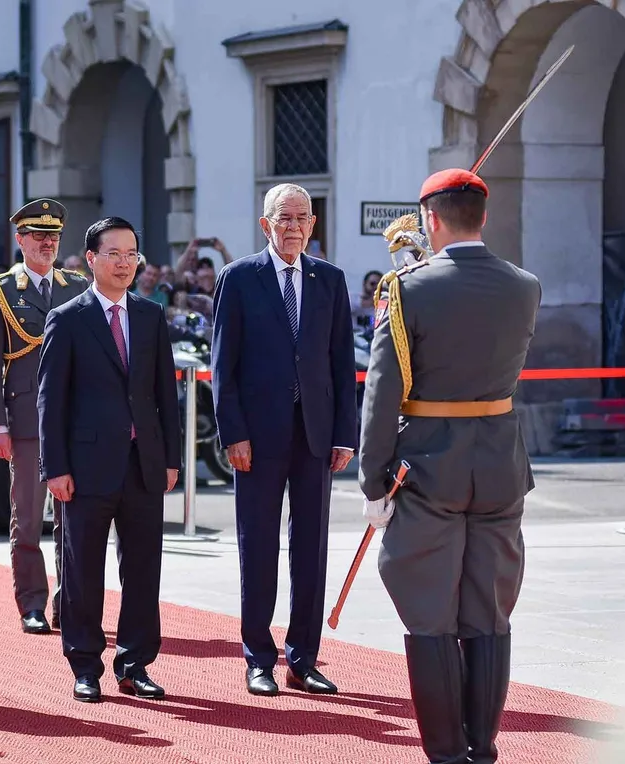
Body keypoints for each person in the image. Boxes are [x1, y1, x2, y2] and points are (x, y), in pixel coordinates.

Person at [358, 169, 541, 764]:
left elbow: (384, 391)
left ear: (430, 220)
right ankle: (482, 749)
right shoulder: (524, 286)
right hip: (498, 466)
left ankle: (445, 753)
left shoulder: (406, 288)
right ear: (482, 217)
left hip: (428, 469)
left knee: (430, 615)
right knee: (488, 611)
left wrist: (374, 478)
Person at [211, 183, 358, 698]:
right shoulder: (239, 278)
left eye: (301, 217)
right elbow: (222, 364)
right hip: (256, 436)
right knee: (258, 546)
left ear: (313, 225)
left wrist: (345, 432)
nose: (293, 226)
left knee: (311, 547)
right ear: (265, 224)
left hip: (315, 433)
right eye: (283, 217)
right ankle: (258, 658)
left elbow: (342, 364)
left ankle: (304, 658)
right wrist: (233, 433)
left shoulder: (330, 280)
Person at [37, 216, 181, 703]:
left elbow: (165, 394)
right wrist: (54, 467)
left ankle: (136, 663)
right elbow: (49, 400)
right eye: (114, 254)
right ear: (91, 260)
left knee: (143, 569)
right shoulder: (68, 317)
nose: (125, 263)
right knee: (83, 572)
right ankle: (84, 665)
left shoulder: (149, 315)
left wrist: (171, 458)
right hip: (85, 468)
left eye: (132, 254)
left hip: (143, 464)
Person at [0, 198, 89, 634]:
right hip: (24, 419)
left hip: (76, 420)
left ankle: (70, 600)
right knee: (27, 517)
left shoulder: (77, 287)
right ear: (20, 239)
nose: (47, 243)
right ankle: (33, 602)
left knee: (73, 518)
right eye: (38, 235)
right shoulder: (0, 290)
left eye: (53, 236)